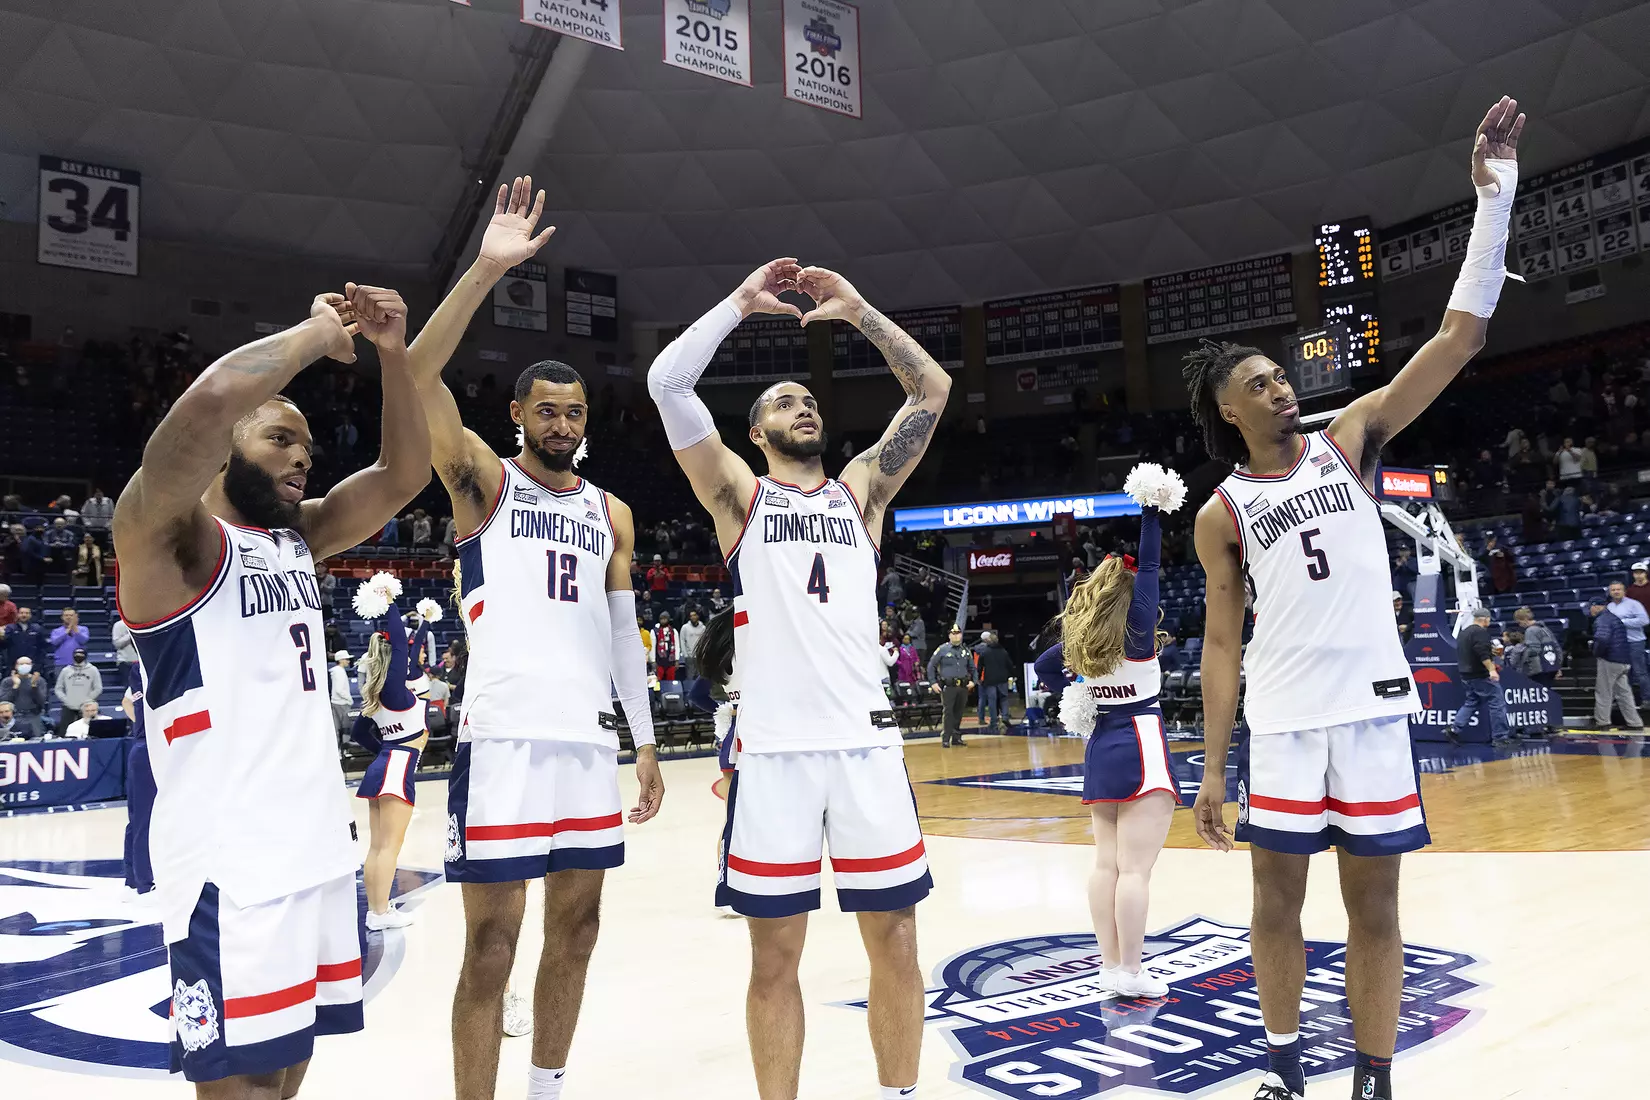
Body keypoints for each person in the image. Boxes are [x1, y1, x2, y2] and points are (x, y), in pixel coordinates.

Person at [1187, 97, 1524, 1100]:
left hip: (1372, 711)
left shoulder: (1354, 437)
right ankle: (1286, 1068)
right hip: (1283, 720)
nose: (1282, 385)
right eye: (1260, 380)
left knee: (1375, 906)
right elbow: (1217, 642)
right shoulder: (1222, 511)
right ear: (1227, 408)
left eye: (1282, 374)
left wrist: (1493, 193)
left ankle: (1373, 1079)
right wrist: (1212, 769)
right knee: (1274, 900)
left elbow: (1460, 334)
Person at [111, 282, 430, 1094]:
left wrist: (392, 353)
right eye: (281, 438)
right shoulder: (170, 541)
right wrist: (317, 333)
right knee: (239, 1088)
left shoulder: (299, 537)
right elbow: (210, 402)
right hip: (230, 865)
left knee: (288, 1074)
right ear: (226, 448)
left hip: (317, 848)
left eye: (309, 450)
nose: (300, 458)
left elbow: (402, 474)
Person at [649, 257, 948, 1100]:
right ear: (755, 433)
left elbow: (931, 394)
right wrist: (741, 304)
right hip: (775, 753)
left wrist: (857, 311)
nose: (803, 406)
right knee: (774, 958)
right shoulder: (739, 499)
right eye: (783, 402)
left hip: (865, 747)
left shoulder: (862, 491)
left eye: (808, 399)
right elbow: (668, 381)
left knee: (895, 944)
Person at [399, 176, 661, 1100]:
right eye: (546, 410)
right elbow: (416, 377)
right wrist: (484, 271)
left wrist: (649, 743)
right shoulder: (480, 481)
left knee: (580, 932)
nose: (561, 423)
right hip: (504, 738)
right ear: (518, 416)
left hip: (588, 744)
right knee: (491, 945)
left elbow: (623, 636)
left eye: (575, 412)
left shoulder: (613, 513)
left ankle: (548, 1088)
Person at [1033, 464, 1186, 998]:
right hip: (1142, 747)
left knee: (1106, 864)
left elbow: (1048, 670)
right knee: (1136, 872)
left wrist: (1076, 685)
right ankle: (1131, 971)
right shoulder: (1138, 633)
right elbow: (1148, 567)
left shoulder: (1080, 645)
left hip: (1102, 747)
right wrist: (1150, 510)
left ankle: (1109, 966)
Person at [348, 577, 430, 930]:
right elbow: (401, 643)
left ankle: (377, 912)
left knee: (376, 847)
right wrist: (392, 602)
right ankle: (380, 913)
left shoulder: (380, 696)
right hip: (397, 768)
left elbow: (356, 732)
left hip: (381, 766)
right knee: (388, 850)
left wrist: (382, 750)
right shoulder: (395, 691)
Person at [1448, 608, 1510, 744]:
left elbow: (1471, 651)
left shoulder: (1464, 633)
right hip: (1480, 674)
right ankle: (1500, 738)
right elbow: (1481, 652)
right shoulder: (1480, 632)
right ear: (1485, 619)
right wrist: (1491, 670)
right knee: (1497, 703)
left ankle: (1454, 729)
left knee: (1472, 702)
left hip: (1466, 674)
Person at [122, 662, 155, 895]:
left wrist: (139, 726)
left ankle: (132, 880)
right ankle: (146, 882)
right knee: (145, 819)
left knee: (137, 819)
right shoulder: (154, 667)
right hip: (154, 746)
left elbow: (126, 701)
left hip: (141, 745)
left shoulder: (138, 668)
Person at [1589, 596, 1643, 730]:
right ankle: (1635, 723)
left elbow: (1602, 639)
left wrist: (1596, 652)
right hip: (1623, 660)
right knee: (1624, 694)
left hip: (1610, 660)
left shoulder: (1602, 619)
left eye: (1590, 607)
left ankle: (1603, 723)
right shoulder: (1614, 618)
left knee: (1604, 692)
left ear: (1596, 606)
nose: (1590, 610)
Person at [928, 626, 975, 748]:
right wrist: (933, 682)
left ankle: (956, 737)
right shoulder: (942, 649)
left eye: (958, 633)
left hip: (963, 686)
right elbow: (931, 666)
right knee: (948, 712)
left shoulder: (965, 650)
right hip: (948, 686)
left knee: (959, 712)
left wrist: (974, 681)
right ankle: (946, 738)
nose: (956, 636)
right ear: (949, 635)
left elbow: (973, 668)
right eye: (953, 634)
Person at [1604, 580, 1648, 698]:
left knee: (1640, 672)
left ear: (1624, 591)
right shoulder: (1609, 607)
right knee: (1622, 674)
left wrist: (1622, 623)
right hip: (1618, 645)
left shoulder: (1634, 604)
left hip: (1635, 642)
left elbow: (1644, 620)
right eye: (1613, 590)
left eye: (1618, 589)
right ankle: (1625, 701)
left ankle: (1647, 699)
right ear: (1610, 592)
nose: (1616, 592)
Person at [53, 647, 103, 736]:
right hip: (68, 707)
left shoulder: (93, 670)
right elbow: (58, 688)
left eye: (81, 655)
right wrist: (66, 700)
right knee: (64, 733)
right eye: (76, 655)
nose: (78, 656)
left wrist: (87, 701)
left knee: (89, 733)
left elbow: (98, 688)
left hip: (87, 709)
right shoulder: (65, 670)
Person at [972, 630, 1013, 733]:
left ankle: (993, 722)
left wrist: (978, 679)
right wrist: (1011, 675)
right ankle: (1005, 718)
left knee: (992, 701)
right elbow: (1010, 665)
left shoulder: (985, 652)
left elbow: (980, 666)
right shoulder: (1003, 651)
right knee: (1004, 699)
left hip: (989, 680)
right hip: (1002, 679)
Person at [0, 660, 47, 738]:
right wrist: (15, 686)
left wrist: (34, 686)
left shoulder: (39, 680)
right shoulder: (7, 681)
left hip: (34, 716)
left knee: (36, 741)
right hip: (14, 717)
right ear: (16, 666)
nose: (24, 665)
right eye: (21, 664)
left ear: (32, 665)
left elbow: (41, 701)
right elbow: (4, 702)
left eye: (27, 663)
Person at [48, 607, 89, 675]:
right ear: (62, 617)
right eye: (66, 615)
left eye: (71, 615)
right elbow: (55, 642)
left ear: (76, 617)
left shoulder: (83, 629)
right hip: (61, 663)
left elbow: (83, 641)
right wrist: (67, 631)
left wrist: (75, 629)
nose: (68, 617)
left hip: (79, 662)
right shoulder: (56, 631)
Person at [329, 650, 354, 736]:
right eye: (346, 659)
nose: (348, 661)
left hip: (336, 702)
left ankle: (340, 747)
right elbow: (339, 690)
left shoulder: (337, 671)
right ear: (340, 660)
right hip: (342, 703)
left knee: (337, 727)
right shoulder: (339, 672)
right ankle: (345, 747)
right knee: (345, 728)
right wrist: (349, 699)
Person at [678, 609, 706, 681]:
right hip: (689, 656)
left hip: (700, 656)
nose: (693, 617)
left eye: (694, 615)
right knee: (690, 675)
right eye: (691, 616)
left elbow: (705, 641)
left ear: (698, 616)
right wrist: (685, 654)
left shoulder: (703, 628)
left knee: (700, 676)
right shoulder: (685, 627)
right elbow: (682, 640)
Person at [654, 611, 680, 681]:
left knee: (671, 679)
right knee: (658, 679)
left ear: (668, 619)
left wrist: (677, 660)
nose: (663, 620)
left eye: (665, 618)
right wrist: (653, 661)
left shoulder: (673, 631)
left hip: (671, 660)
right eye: (661, 619)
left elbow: (677, 645)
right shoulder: (655, 631)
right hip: (659, 660)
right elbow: (653, 646)